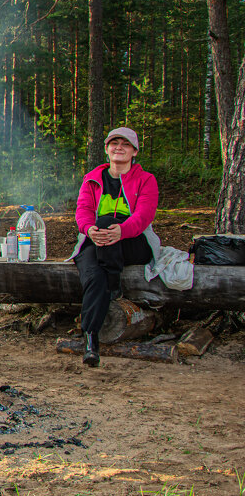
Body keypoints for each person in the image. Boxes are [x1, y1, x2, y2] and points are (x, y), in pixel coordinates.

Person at [69, 127, 159, 367]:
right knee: (94, 275)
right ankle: (91, 341)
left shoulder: (146, 179)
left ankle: (112, 281)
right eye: (114, 143)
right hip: (97, 240)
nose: (119, 147)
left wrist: (121, 231)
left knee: (108, 221)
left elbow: (144, 216)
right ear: (106, 148)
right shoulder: (92, 179)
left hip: (134, 241)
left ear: (135, 151)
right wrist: (90, 231)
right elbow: (83, 211)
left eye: (126, 144)